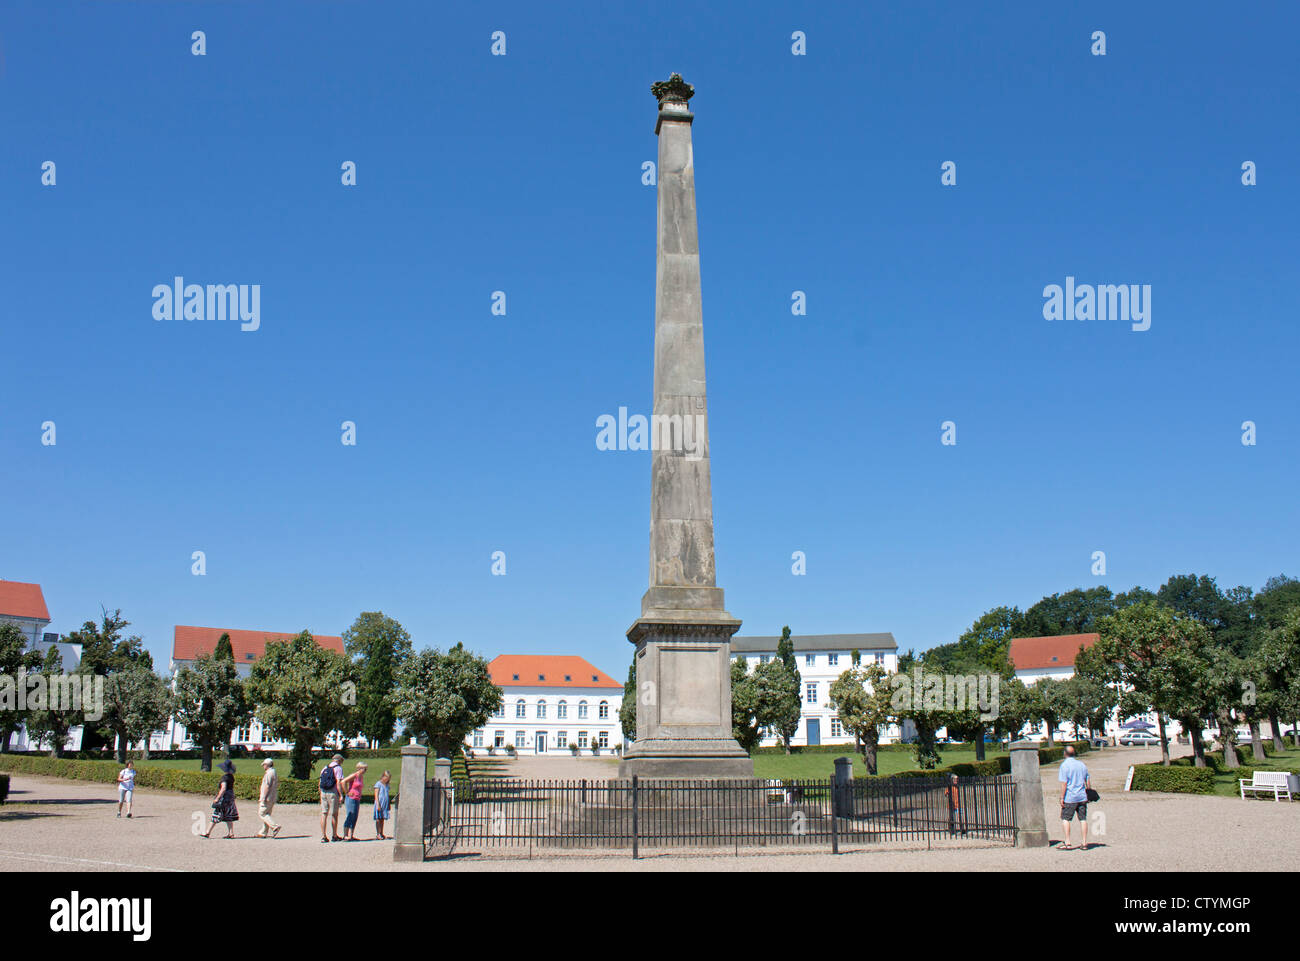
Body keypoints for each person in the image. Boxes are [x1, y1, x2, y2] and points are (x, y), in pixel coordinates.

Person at [1058, 745, 1092, 850]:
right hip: (1082, 796)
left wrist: (1062, 797)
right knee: (1083, 819)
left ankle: (1067, 842)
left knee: (1065, 819)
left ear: (1065, 753)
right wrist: (1088, 791)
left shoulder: (1064, 766)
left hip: (1070, 797)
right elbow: (1087, 779)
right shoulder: (1081, 764)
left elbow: (1064, 783)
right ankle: (1084, 842)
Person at [203, 760, 239, 839]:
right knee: (229, 815)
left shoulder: (225, 777)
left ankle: (207, 832)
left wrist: (217, 798)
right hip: (230, 798)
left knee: (216, 814)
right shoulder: (231, 777)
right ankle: (231, 833)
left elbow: (223, 789)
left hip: (224, 799)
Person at [319, 754, 344, 843]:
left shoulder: (325, 768)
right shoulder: (338, 768)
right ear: (340, 761)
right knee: (334, 814)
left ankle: (323, 836)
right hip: (332, 792)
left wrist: (320, 793)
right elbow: (338, 782)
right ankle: (334, 835)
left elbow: (320, 781)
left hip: (323, 792)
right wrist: (341, 794)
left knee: (324, 813)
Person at [255, 758, 281, 838]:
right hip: (272, 797)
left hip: (267, 797)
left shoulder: (269, 773)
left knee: (262, 813)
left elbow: (267, 786)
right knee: (267, 814)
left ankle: (274, 826)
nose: (263, 766)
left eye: (264, 765)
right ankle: (263, 832)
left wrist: (264, 797)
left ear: (267, 765)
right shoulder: (274, 772)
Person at [340, 762, 367, 841]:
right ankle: (345, 835)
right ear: (359, 768)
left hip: (357, 798)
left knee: (355, 816)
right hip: (351, 798)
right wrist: (347, 792)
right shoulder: (354, 775)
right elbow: (343, 782)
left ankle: (351, 835)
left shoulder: (361, 777)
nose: (365, 771)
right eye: (364, 769)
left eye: (366, 769)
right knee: (350, 815)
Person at [373, 770, 391, 840]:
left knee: (382, 818)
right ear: (383, 776)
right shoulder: (378, 784)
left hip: (385, 803)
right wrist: (378, 804)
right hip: (379, 803)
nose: (387, 779)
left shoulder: (387, 785)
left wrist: (388, 804)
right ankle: (378, 833)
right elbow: (376, 795)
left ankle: (381, 832)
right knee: (378, 818)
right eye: (386, 777)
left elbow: (387, 795)